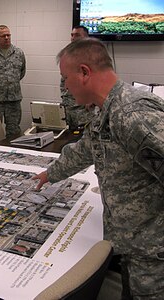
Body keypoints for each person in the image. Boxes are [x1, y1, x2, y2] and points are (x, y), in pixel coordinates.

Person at [33, 38, 164, 299]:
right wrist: (50, 174)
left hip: (152, 256)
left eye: (65, 78)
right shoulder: (107, 110)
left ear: (84, 73)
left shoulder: (130, 113)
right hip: (132, 246)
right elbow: (86, 149)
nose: (65, 88)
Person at [61, 25, 96, 130]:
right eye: (72, 35)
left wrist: (93, 99)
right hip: (68, 106)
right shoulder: (66, 54)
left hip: (84, 109)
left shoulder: (94, 55)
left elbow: (99, 79)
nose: (73, 38)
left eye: (77, 35)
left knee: (85, 138)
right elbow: (64, 80)